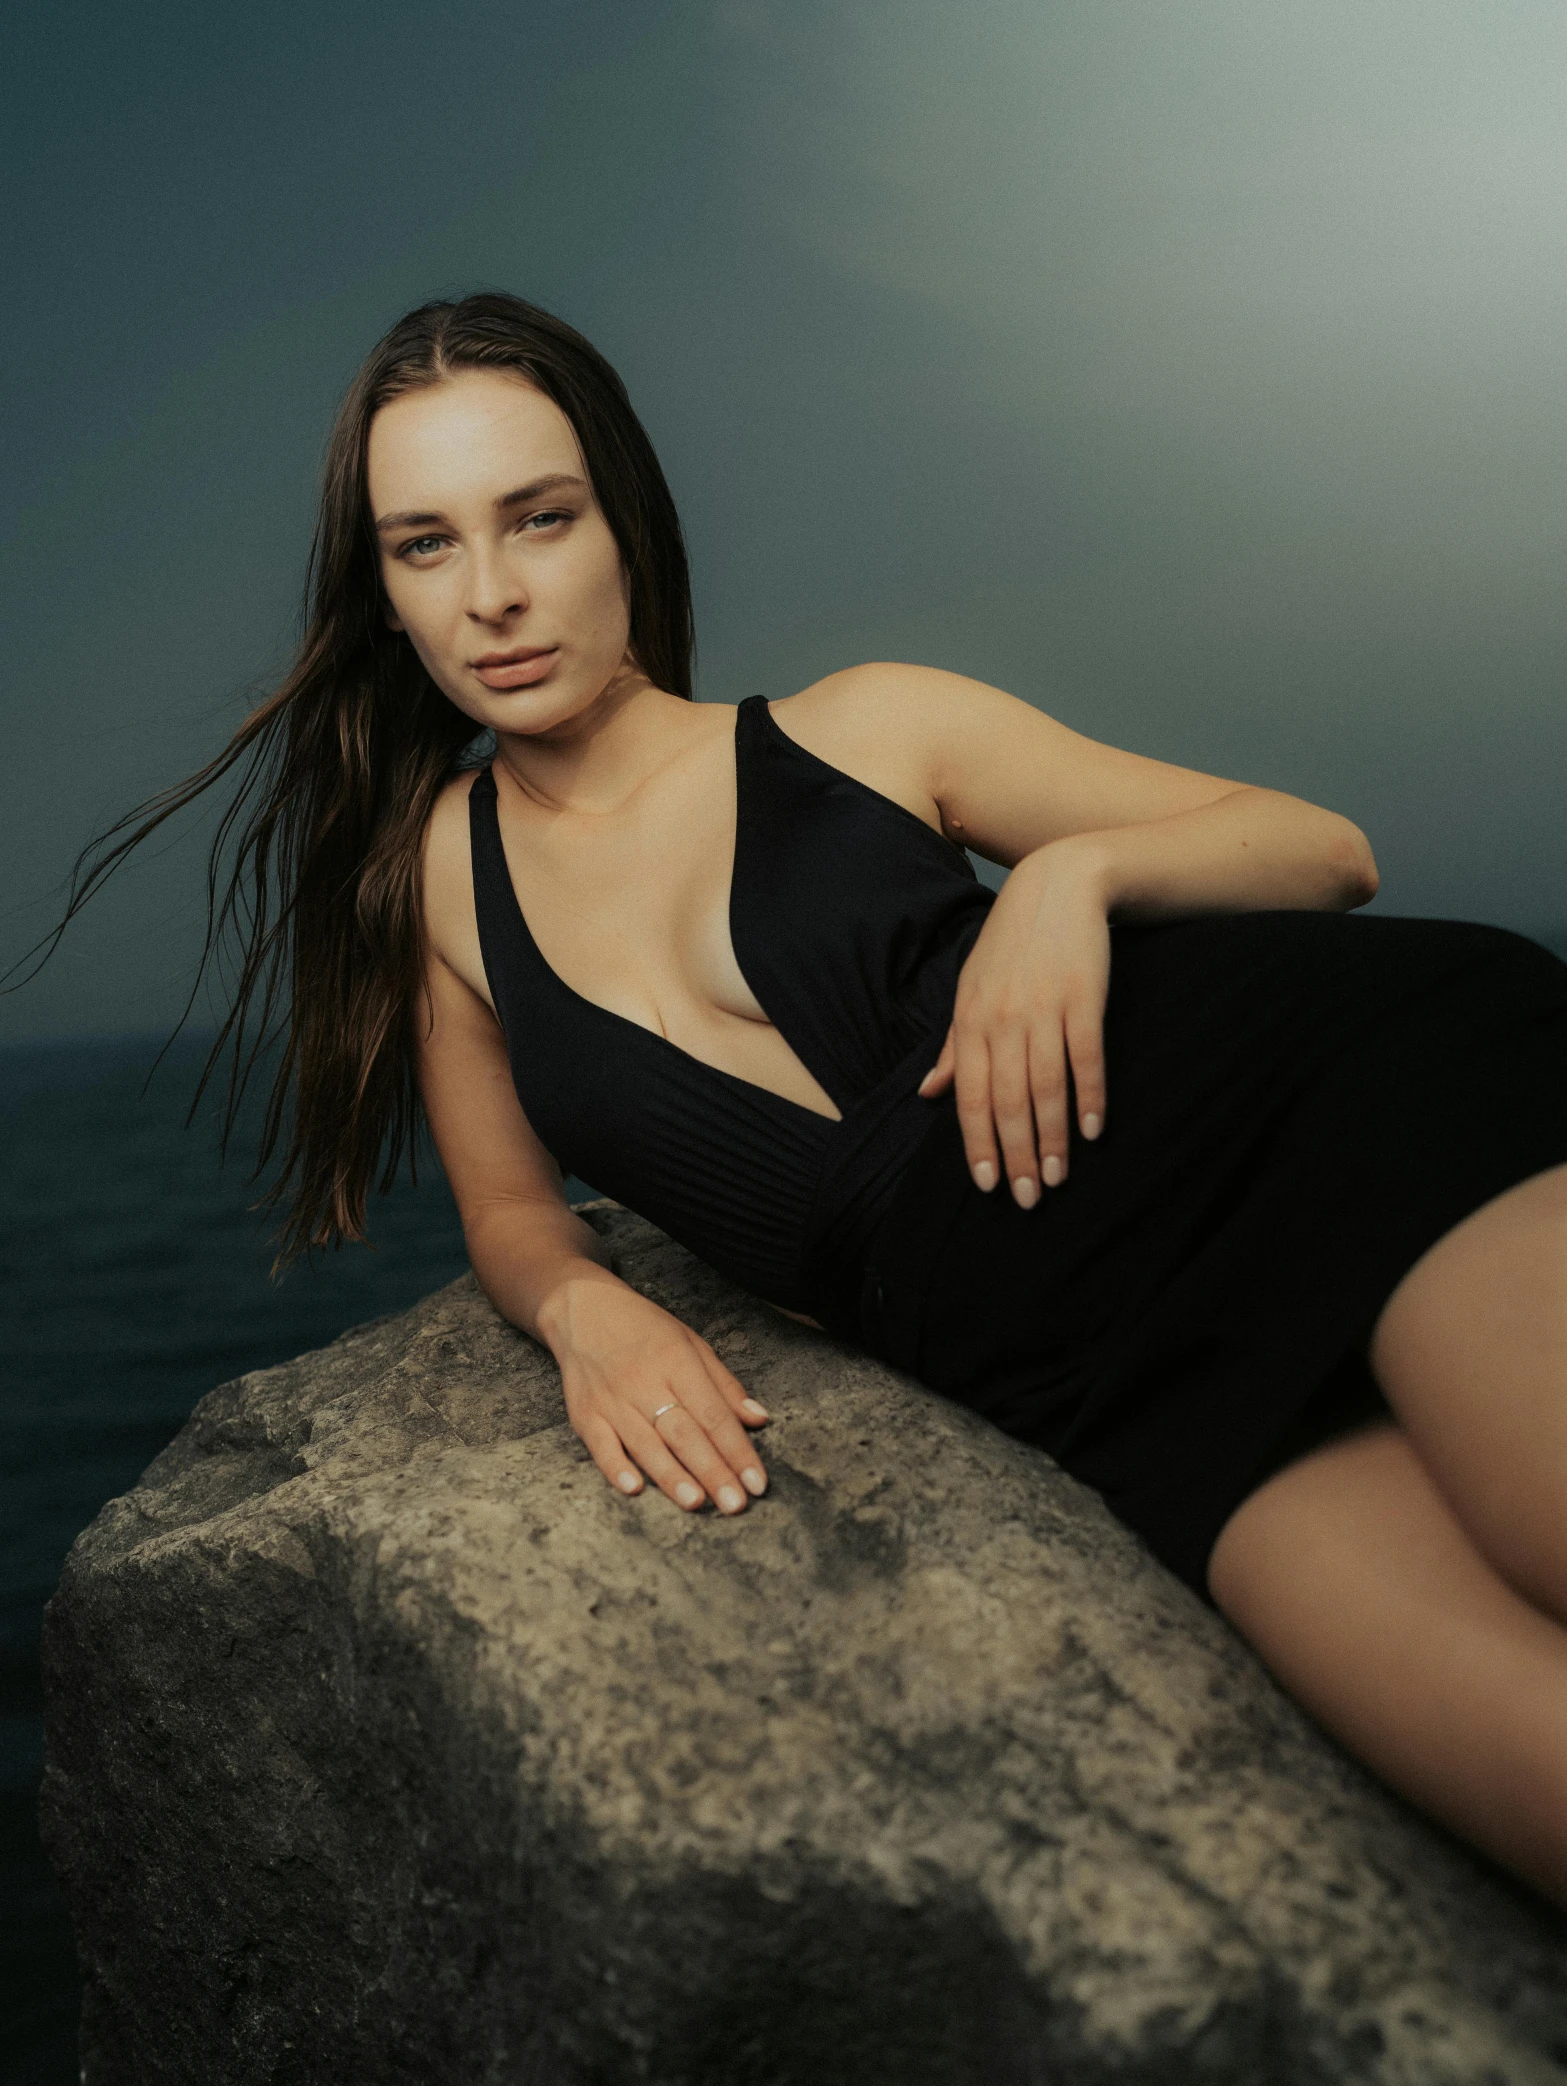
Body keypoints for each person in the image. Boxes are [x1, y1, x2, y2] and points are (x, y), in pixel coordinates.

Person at [40, 293, 1567, 1905]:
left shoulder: (868, 724)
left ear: (623, 522)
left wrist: (1072, 877)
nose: (491, 593)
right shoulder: (435, 885)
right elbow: (503, 1204)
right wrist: (584, 1314)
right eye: (425, 546)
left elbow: (1324, 847)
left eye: (538, 519)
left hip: (1343, 1126)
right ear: (385, 595)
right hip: (1110, 1385)